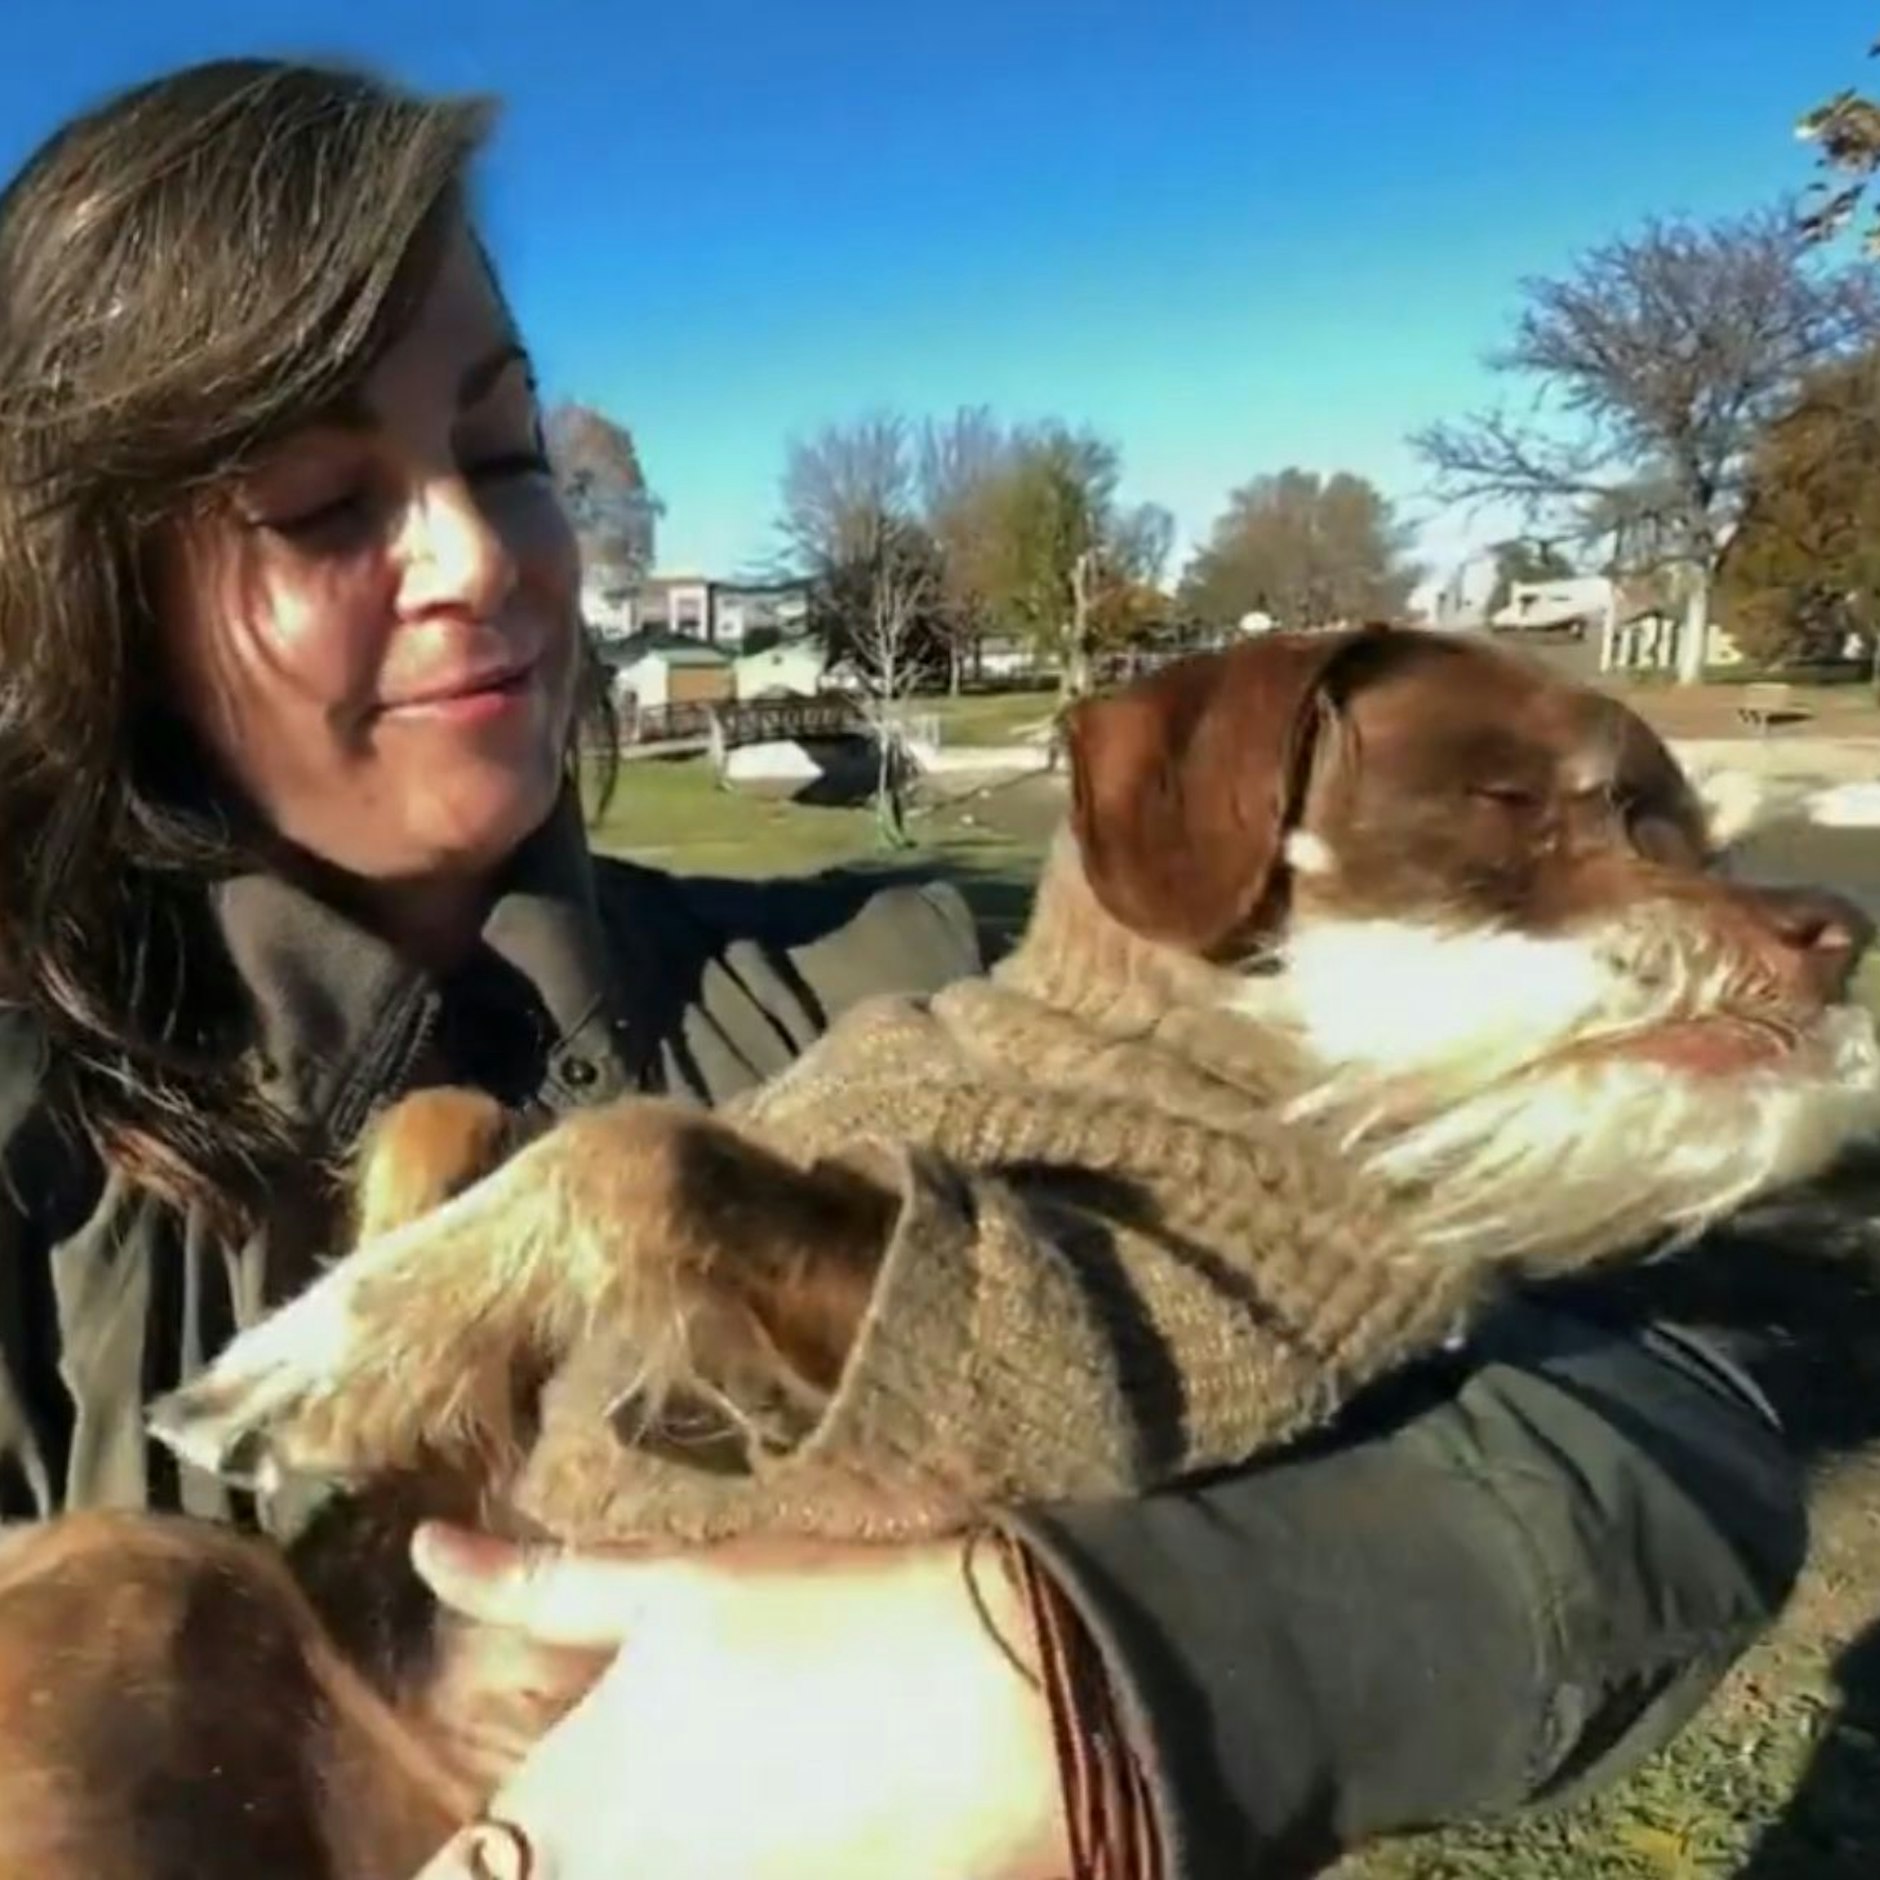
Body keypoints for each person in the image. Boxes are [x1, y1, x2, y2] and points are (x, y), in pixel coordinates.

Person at [0, 56, 1807, 1880]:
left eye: (501, 453)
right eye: (320, 503)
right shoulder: (34, 1158)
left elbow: (1680, 1438)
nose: (479, 555)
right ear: (106, 599)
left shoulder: (903, 985)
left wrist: (1064, 1680)